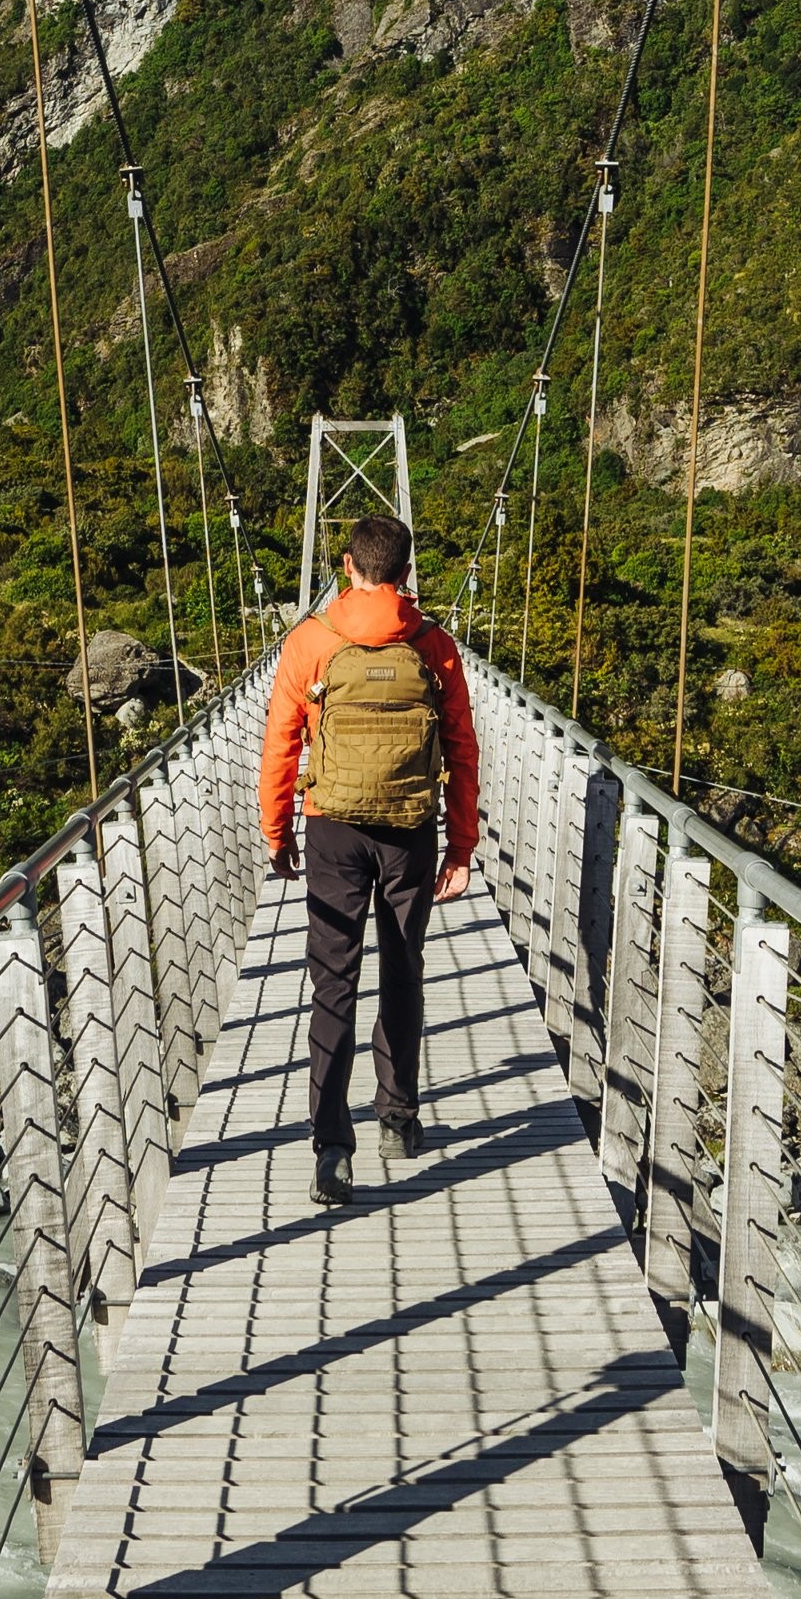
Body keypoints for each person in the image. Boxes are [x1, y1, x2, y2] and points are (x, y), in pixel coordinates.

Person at [258, 511, 479, 1205]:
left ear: (346, 568)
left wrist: (277, 832)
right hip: (411, 829)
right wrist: (462, 844)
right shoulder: (435, 644)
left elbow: (281, 744)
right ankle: (397, 1116)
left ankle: (331, 1149)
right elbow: (464, 752)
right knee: (403, 968)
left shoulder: (311, 641)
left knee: (333, 982)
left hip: (331, 828)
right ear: (408, 575)